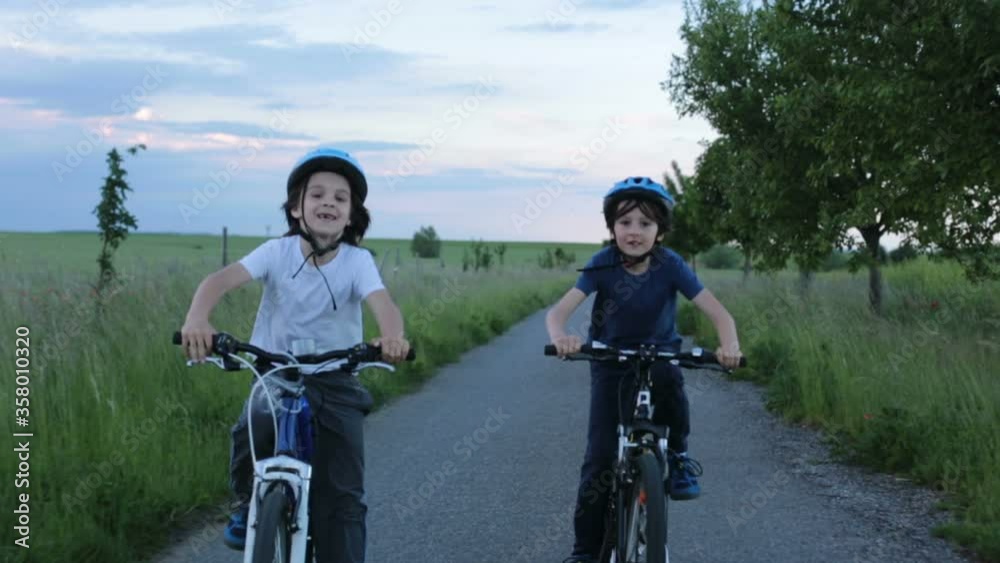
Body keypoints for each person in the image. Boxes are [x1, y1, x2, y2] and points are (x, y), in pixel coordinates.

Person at [179, 147, 410, 563]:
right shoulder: (276, 252)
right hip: (275, 370)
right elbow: (219, 281)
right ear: (296, 209)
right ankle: (250, 503)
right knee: (252, 425)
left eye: (341, 198)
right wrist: (198, 319)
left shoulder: (358, 262)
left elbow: (383, 305)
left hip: (336, 376)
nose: (328, 203)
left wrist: (392, 337)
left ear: (353, 215)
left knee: (343, 496)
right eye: (317, 194)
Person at [545, 176, 743, 562]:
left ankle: (679, 455)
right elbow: (559, 313)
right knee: (599, 460)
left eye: (645, 223)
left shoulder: (671, 265)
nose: (634, 231)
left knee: (671, 384)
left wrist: (730, 345)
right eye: (625, 222)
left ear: (660, 231)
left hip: (659, 355)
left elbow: (720, 314)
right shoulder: (602, 264)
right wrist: (561, 337)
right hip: (611, 360)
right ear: (612, 227)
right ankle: (585, 552)